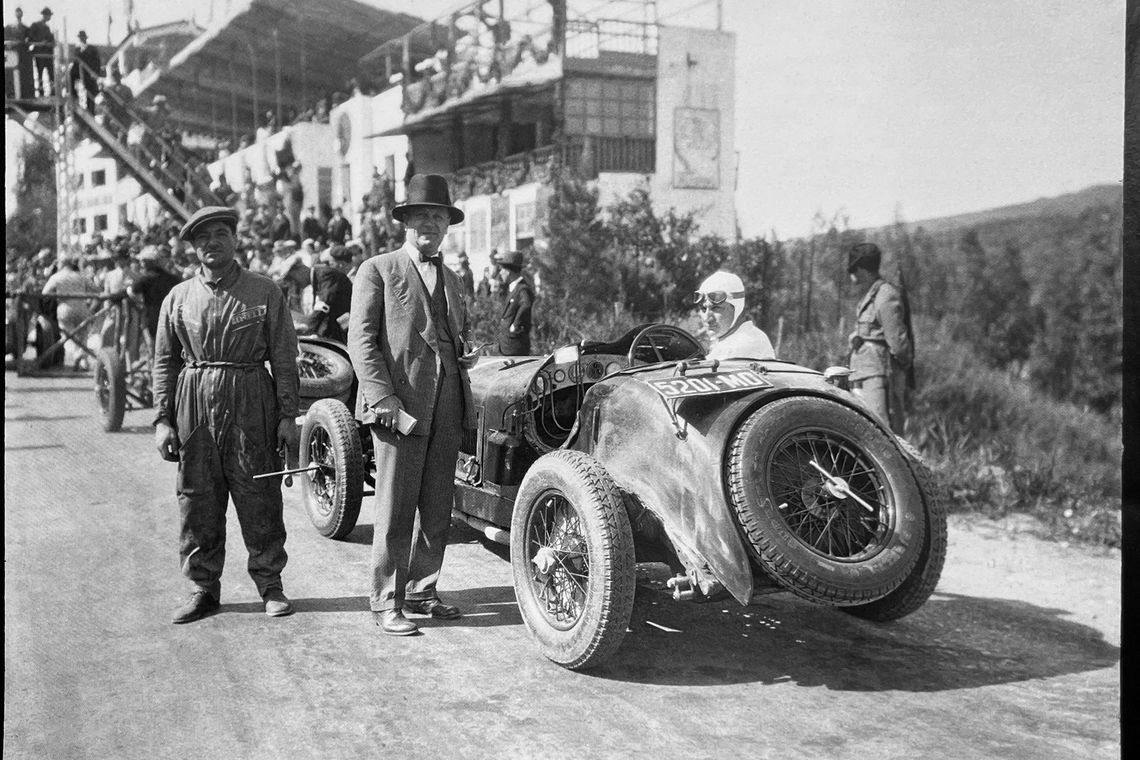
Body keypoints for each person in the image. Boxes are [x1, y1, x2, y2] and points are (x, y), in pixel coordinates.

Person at [151, 206, 300, 624]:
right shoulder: (177, 298)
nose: (211, 243)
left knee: (259, 496)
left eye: (219, 234)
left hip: (251, 399)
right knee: (197, 498)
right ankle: (203, 588)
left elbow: (284, 357)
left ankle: (270, 585)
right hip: (194, 404)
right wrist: (163, 419)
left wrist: (288, 415)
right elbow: (164, 362)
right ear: (193, 248)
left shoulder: (264, 291)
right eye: (202, 238)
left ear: (235, 239)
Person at [347, 174, 478, 637]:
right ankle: (386, 601)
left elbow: (451, 334)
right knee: (396, 506)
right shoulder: (377, 269)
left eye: (438, 216)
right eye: (421, 215)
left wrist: (464, 355)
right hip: (400, 403)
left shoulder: (455, 279)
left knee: (438, 504)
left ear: (447, 225)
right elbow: (362, 343)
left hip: (448, 404)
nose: (430, 224)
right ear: (405, 221)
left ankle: (423, 589)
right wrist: (383, 400)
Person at [846, 242, 914, 436]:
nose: (852, 275)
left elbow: (898, 344)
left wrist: (901, 369)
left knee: (882, 432)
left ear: (860, 269)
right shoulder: (872, 294)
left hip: (879, 373)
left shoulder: (885, 296)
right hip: (862, 371)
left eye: (853, 269)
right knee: (866, 431)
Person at [695, 270, 776, 360]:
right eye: (703, 309)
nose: (707, 319)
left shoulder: (748, 341)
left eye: (716, 309)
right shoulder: (727, 340)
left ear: (737, 308)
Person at [41, 253, 97, 369]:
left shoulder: (57, 277)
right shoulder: (81, 276)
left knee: (67, 336)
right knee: (83, 336)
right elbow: (96, 289)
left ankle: (77, 355)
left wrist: (55, 295)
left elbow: (44, 293)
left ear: (61, 263)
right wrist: (92, 306)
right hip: (82, 308)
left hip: (65, 309)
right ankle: (83, 362)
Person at [128, 246, 181, 342]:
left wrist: (138, 302)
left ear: (148, 262)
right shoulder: (172, 278)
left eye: (143, 261)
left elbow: (132, 291)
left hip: (151, 316)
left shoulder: (144, 279)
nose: (141, 263)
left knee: (154, 345)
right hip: (170, 316)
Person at [308, 244, 353, 342]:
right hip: (337, 329)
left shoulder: (331, 276)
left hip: (337, 329)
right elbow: (325, 303)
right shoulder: (334, 276)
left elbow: (325, 303)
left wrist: (310, 328)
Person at [493, 250, 535, 355]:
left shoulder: (522, 288)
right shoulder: (513, 288)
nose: (501, 273)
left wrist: (515, 324)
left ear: (509, 271)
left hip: (515, 345)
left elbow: (526, 304)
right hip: (507, 344)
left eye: (502, 270)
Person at [68, 30, 100, 114]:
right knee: (70, 75)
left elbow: (97, 62)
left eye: (82, 37)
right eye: (80, 38)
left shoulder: (92, 49)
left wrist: (95, 73)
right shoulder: (77, 49)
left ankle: (91, 110)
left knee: (90, 90)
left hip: (89, 73)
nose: (81, 39)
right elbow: (75, 61)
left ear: (85, 38)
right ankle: (73, 95)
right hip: (79, 71)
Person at [26, 7, 53, 97]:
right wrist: (39, 43)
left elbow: (50, 40)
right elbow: (29, 40)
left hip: (48, 55)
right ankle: (41, 92)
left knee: (51, 74)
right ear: (44, 15)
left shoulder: (47, 28)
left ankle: (52, 91)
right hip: (39, 54)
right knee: (40, 74)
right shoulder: (35, 25)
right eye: (48, 15)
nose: (49, 17)